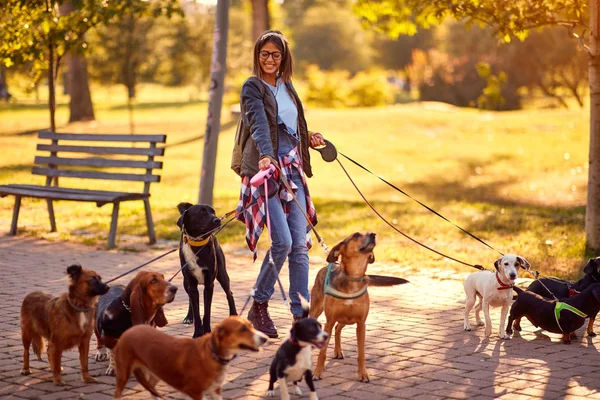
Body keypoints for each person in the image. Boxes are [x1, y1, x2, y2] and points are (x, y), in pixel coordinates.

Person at [235, 30, 326, 338]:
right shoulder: (252, 86)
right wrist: (266, 156)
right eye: (264, 54)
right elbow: (259, 123)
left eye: (276, 54)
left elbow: (291, 124)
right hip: (265, 171)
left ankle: (300, 317)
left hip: (293, 169)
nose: (270, 60)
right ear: (257, 56)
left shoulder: (287, 85)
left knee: (299, 247)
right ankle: (259, 304)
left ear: (284, 57)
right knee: (283, 242)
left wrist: (309, 138)